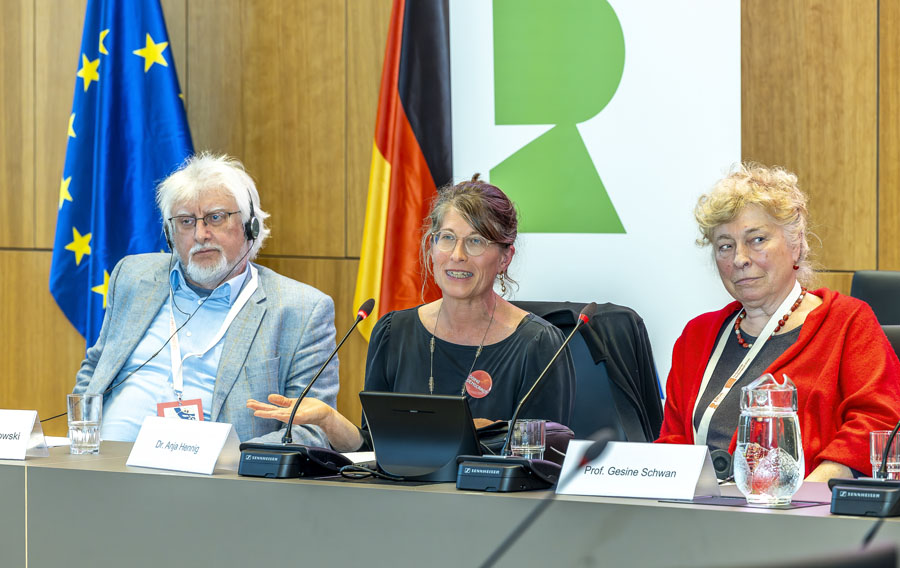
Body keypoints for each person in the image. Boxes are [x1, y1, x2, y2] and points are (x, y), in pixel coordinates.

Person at [248, 176, 576, 452]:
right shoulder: (394, 333)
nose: (457, 255)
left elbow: (541, 457)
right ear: (431, 248)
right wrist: (328, 420)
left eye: (476, 241)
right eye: (447, 238)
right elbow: (375, 449)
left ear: (504, 258)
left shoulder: (538, 344)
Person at [72, 153, 339, 445]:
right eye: (186, 222)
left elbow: (313, 431)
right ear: (170, 234)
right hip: (106, 469)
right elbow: (96, 368)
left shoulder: (301, 310)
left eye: (216, 217)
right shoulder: (132, 277)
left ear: (251, 227)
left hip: (213, 480)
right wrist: (82, 441)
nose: (201, 234)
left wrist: (234, 461)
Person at [657, 162, 900, 481]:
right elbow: (672, 444)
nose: (739, 259)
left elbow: (878, 423)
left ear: (796, 243)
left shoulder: (847, 323)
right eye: (725, 246)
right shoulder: (696, 337)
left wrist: (812, 493)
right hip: (700, 520)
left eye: (756, 240)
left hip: (804, 517)